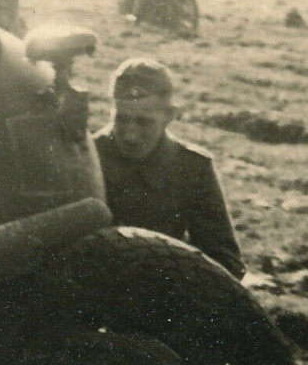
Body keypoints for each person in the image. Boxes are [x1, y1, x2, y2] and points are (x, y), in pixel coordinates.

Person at [94, 58, 246, 279]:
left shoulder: (192, 168)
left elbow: (226, 264)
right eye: (122, 119)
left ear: (169, 116)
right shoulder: (87, 157)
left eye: (144, 122)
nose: (130, 135)